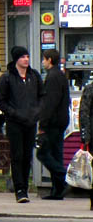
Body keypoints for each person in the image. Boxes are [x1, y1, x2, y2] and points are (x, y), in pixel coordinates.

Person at [0, 45, 43, 202]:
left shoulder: (34, 76)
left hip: (30, 122)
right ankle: (19, 189)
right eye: (23, 57)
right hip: (14, 123)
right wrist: (13, 113)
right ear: (16, 59)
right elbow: (0, 101)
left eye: (27, 56)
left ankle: (25, 186)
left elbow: (42, 97)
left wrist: (36, 113)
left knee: (27, 155)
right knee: (17, 155)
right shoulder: (7, 78)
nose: (26, 59)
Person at [36, 49, 70, 200]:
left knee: (42, 153)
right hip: (61, 120)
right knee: (56, 154)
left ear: (49, 60)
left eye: (44, 59)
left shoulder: (52, 77)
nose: (43, 62)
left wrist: (42, 124)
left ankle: (62, 176)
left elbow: (50, 103)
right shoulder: (61, 75)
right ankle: (58, 190)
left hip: (53, 122)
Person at [79, 75, 93, 211]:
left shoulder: (89, 89)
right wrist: (85, 136)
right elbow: (84, 113)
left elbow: (84, 112)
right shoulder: (90, 89)